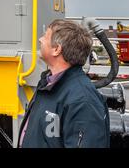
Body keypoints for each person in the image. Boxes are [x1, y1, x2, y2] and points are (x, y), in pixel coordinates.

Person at [18, 19, 110, 148]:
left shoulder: (82, 100)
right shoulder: (48, 84)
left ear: (56, 49)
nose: (40, 39)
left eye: (45, 36)